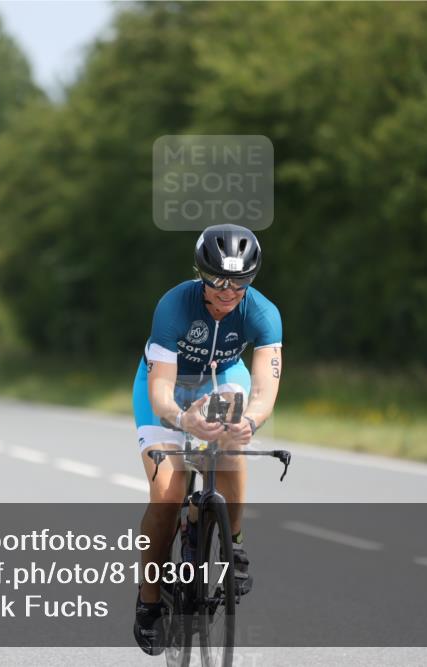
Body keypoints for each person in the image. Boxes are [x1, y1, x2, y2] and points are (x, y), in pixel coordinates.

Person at [132, 224, 283, 655]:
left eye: (239, 282)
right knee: (167, 493)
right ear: (201, 274)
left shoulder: (264, 313)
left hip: (221, 379)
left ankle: (232, 544)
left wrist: (250, 422)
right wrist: (182, 419)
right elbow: (160, 392)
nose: (228, 292)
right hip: (167, 388)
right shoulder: (174, 306)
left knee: (232, 445)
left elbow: (264, 391)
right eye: (218, 281)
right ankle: (148, 601)